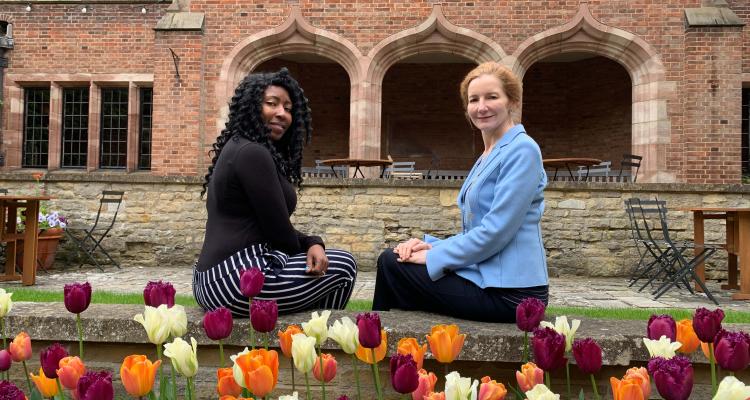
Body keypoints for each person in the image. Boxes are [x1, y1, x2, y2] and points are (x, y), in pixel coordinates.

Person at [372, 62, 548, 323]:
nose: (482, 106)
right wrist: (431, 245)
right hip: (487, 279)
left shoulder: (522, 149)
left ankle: (375, 340)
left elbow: (496, 232)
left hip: (516, 295)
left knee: (391, 264)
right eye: (474, 99)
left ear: (512, 101)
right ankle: (388, 339)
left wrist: (433, 256)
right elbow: (475, 231)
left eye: (492, 97)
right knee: (397, 258)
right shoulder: (489, 153)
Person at [193, 68, 357, 317]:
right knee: (343, 266)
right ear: (251, 106)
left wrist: (312, 243)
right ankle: (315, 344)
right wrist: (311, 244)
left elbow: (272, 226)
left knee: (322, 261)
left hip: (214, 279)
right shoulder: (252, 153)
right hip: (233, 280)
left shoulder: (241, 147)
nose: (282, 113)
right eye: (272, 103)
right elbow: (279, 231)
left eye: (289, 108)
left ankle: (305, 341)